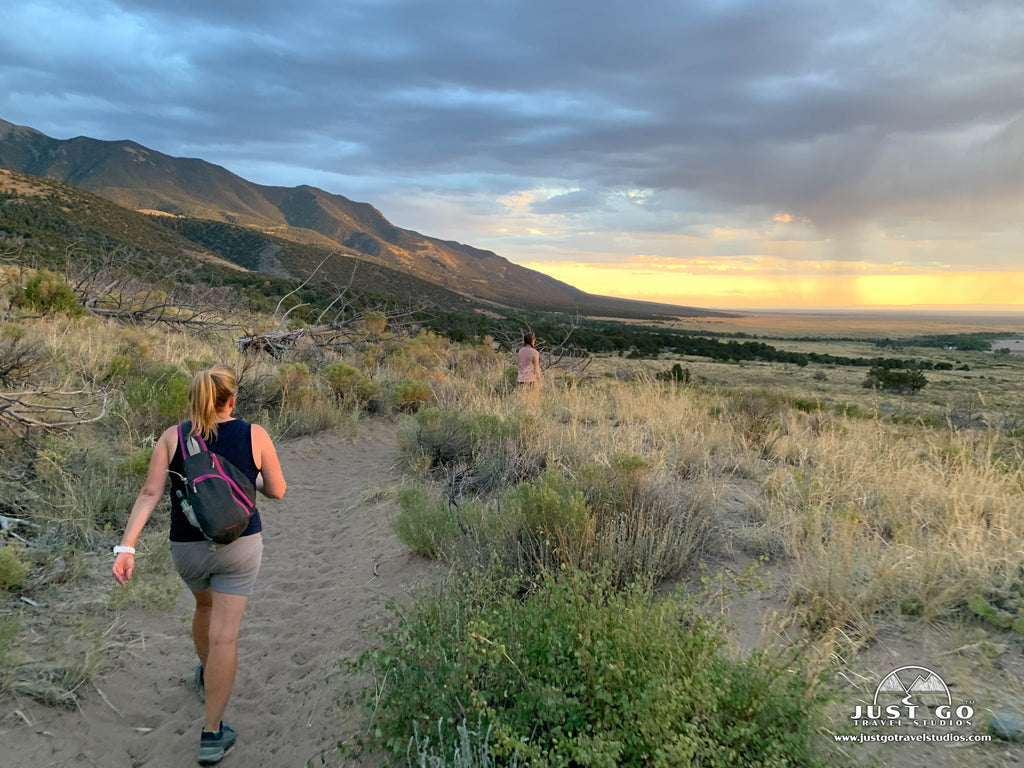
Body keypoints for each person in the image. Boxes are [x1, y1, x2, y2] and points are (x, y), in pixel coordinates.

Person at [112, 364, 286, 765]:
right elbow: (277, 490)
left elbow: (151, 492)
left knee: (203, 607)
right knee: (226, 636)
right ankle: (212, 734)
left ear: (194, 398)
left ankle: (209, 674)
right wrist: (251, 479)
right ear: (232, 399)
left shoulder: (172, 437)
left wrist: (127, 547)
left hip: (187, 547)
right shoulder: (254, 434)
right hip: (240, 545)